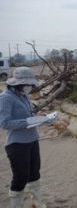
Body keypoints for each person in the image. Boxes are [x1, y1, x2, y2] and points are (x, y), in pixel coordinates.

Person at [0, 67, 47, 208]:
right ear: (17, 83)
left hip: (32, 140)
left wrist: (41, 118)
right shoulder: (5, 98)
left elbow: (29, 114)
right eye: (28, 84)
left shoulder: (24, 95)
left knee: (34, 173)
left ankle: (37, 202)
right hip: (17, 144)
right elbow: (4, 123)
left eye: (31, 84)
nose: (30, 87)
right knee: (20, 177)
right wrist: (28, 121)